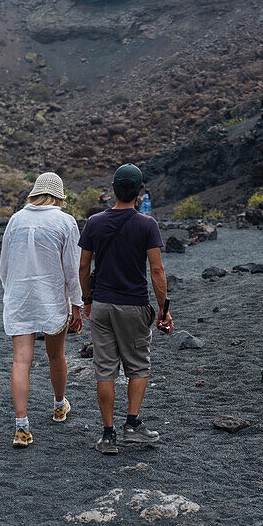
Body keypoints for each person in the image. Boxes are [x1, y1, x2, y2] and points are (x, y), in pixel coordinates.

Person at [78, 164, 174, 455]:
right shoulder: (147, 225)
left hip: (103, 306)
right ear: (139, 191)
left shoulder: (94, 222)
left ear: (114, 190)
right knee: (138, 366)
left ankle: (108, 435)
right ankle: (132, 425)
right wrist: (163, 308)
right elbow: (156, 270)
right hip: (134, 305)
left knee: (105, 370)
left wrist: (87, 299)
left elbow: (83, 266)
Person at [0, 172, 84, 448]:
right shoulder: (65, 222)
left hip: (21, 298)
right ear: (59, 196)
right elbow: (73, 269)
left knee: (21, 360)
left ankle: (21, 427)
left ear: (34, 193)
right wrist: (77, 304)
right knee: (56, 355)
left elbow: (4, 266)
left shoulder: (16, 220)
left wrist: (10, 291)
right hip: (51, 301)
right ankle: (60, 406)